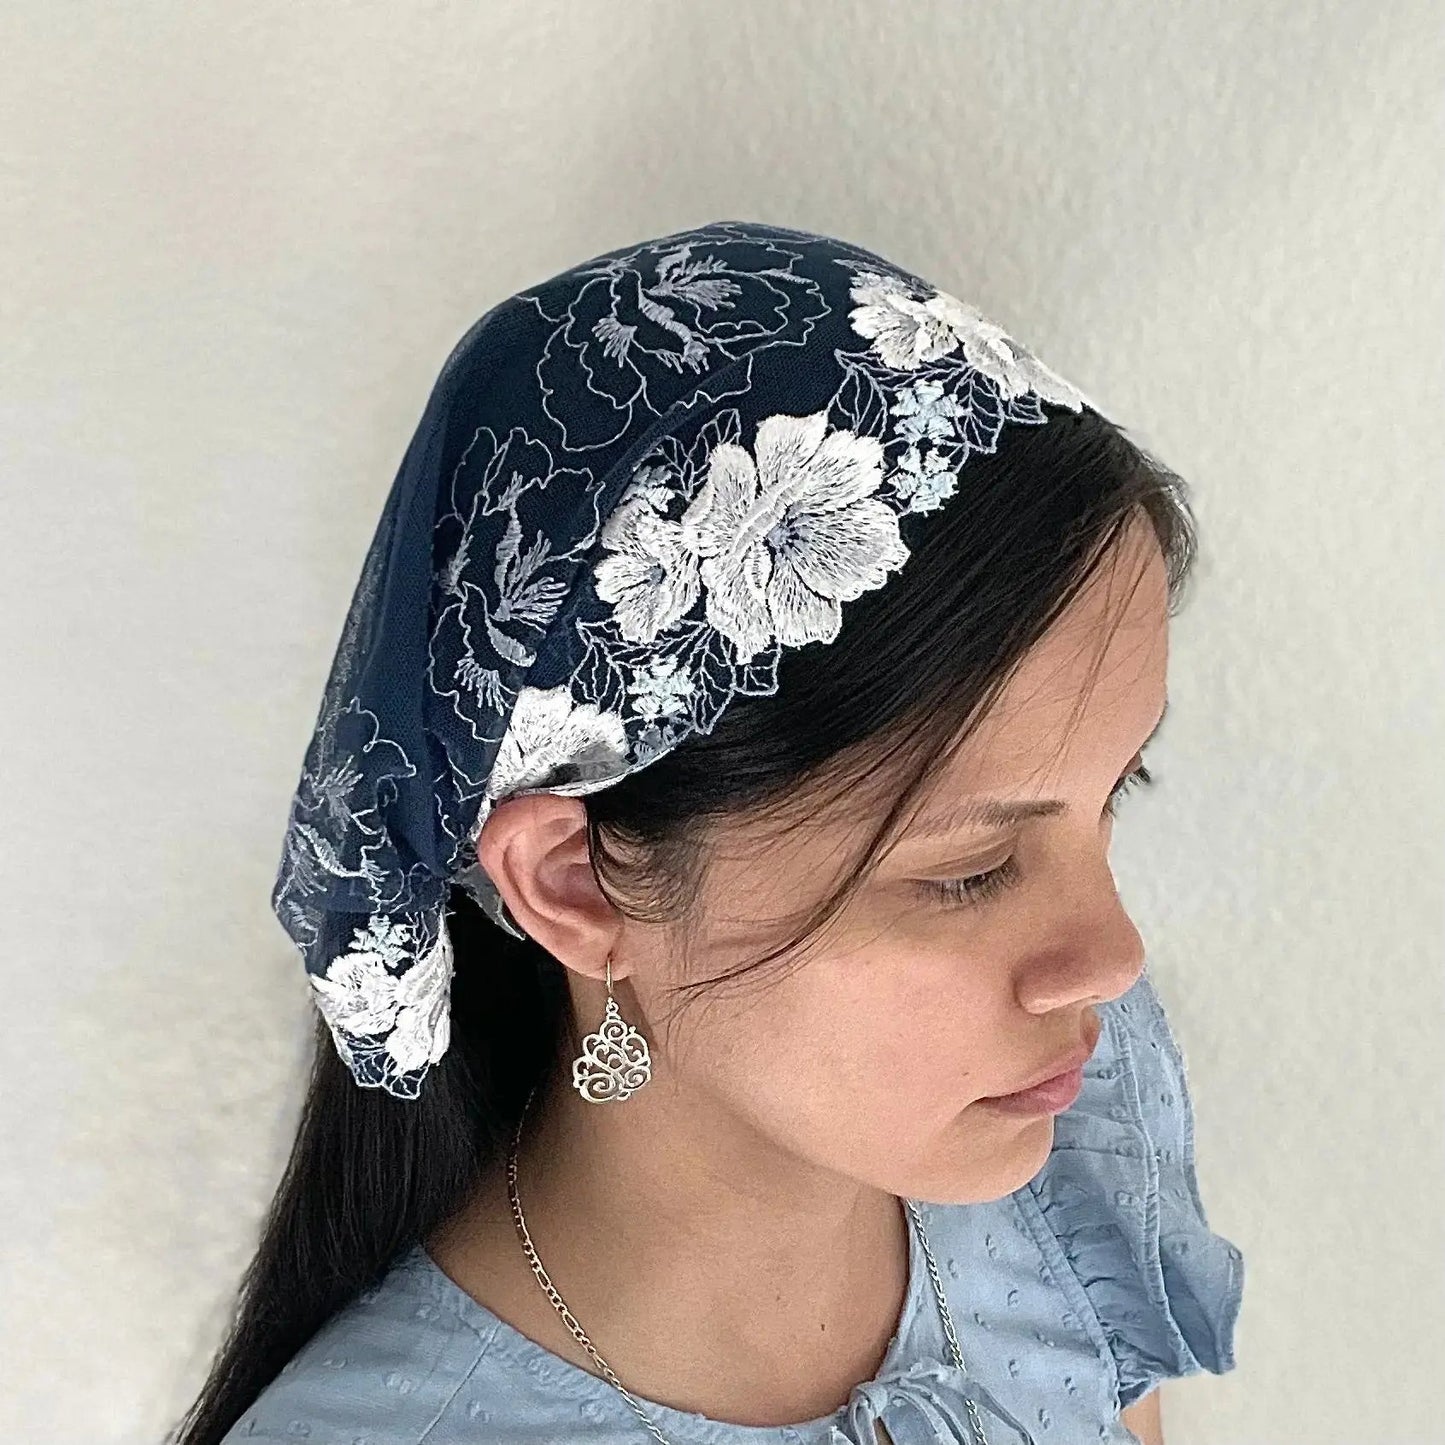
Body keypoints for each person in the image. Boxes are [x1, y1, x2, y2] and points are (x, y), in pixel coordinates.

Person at [172, 220, 1243, 1445]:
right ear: (573, 883)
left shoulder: (1056, 1119)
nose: (1110, 955)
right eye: (970, 870)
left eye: (1115, 790)